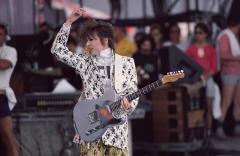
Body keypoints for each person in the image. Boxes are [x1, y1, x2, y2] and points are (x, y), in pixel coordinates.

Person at [51, 8, 139, 156]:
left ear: (105, 40)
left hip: (116, 133)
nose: (87, 44)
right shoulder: (85, 61)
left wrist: (129, 106)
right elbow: (57, 50)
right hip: (91, 128)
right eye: (86, 40)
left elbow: (132, 92)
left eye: (91, 39)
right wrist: (68, 23)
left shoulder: (126, 63)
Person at [186, 22, 217, 132]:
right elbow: (186, 66)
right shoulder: (190, 49)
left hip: (207, 79)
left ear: (206, 34)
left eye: (200, 33)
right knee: (195, 106)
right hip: (194, 80)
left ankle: (208, 133)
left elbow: (214, 68)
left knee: (209, 107)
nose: (198, 35)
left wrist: (205, 78)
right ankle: (196, 133)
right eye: (196, 33)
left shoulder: (211, 49)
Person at [217, 18, 240, 136]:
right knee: (226, 101)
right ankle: (220, 128)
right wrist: (237, 58)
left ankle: (237, 127)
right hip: (229, 72)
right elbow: (222, 56)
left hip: (238, 72)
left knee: (238, 101)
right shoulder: (225, 36)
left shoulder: (235, 37)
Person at [0, 23, 19, 156]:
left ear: (5, 37)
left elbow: (4, 65)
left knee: (7, 137)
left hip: (0, 97)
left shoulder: (10, 51)